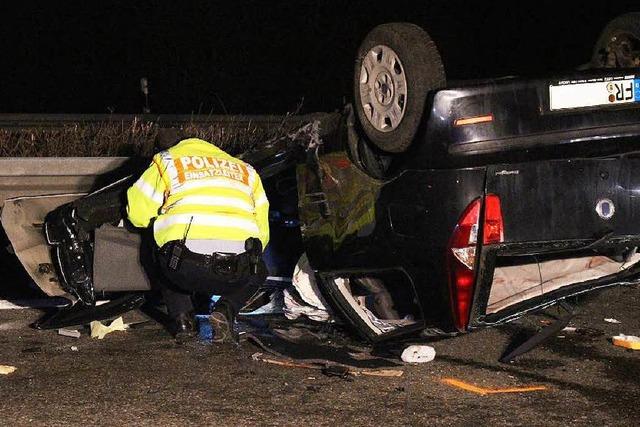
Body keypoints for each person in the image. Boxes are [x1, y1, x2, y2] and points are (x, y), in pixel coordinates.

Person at [126, 129, 269, 342]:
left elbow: (137, 215)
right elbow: (262, 235)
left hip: (186, 269)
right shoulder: (245, 169)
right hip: (236, 273)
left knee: (155, 244)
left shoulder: (166, 161)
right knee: (259, 268)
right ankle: (225, 311)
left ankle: (183, 319)